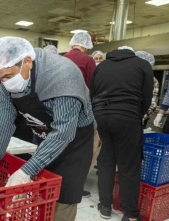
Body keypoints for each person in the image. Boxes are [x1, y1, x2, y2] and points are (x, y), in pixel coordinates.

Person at [0, 36, 96, 221]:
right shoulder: (9, 81)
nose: (5, 83)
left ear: (27, 62)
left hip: (76, 140)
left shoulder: (63, 76)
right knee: (43, 193)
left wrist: (25, 171)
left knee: (64, 198)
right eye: (0, 78)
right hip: (46, 134)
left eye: (8, 76)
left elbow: (63, 132)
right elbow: (3, 126)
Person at [90, 46, 153, 221]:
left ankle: (105, 207)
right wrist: (135, 115)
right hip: (128, 117)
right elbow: (146, 98)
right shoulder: (142, 65)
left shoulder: (101, 66)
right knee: (129, 167)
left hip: (101, 116)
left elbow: (92, 93)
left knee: (105, 162)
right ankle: (131, 214)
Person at [64, 32, 97, 198]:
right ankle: (74, 187)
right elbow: (92, 87)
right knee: (79, 152)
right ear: (86, 44)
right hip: (80, 112)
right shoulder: (88, 60)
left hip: (59, 110)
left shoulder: (63, 57)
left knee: (62, 147)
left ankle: (58, 183)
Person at [135, 51, 159, 129]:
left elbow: (152, 104)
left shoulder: (153, 81)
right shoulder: (127, 77)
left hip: (140, 118)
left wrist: (141, 117)